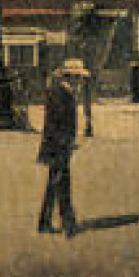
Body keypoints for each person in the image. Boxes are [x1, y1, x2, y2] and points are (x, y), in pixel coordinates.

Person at [37, 70, 81, 237]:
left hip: (59, 145)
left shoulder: (64, 93)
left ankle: (47, 222)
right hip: (57, 147)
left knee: (56, 184)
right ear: (68, 78)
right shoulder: (60, 94)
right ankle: (67, 222)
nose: (79, 81)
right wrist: (65, 142)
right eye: (77, 77)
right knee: (61, 183)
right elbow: (55, 123)